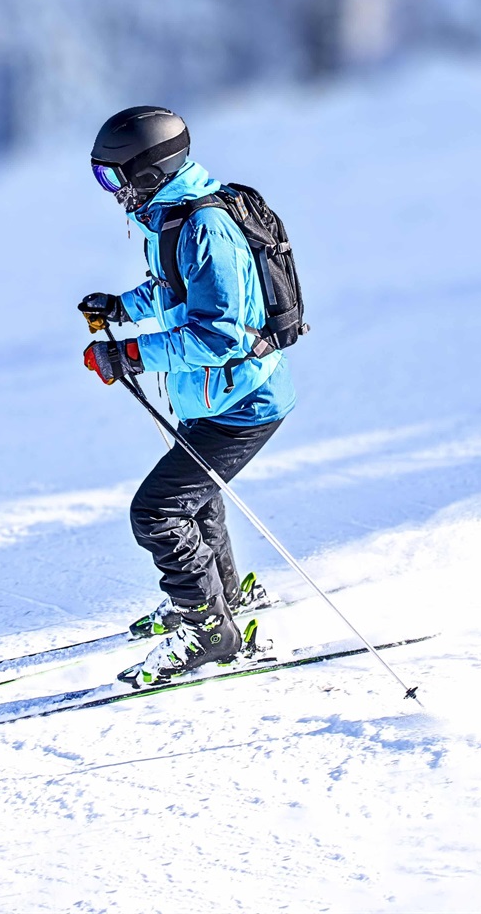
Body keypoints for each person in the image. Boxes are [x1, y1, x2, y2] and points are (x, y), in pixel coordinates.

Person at [80, 105, 296, 687]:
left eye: (113, 176)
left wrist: (131, 355)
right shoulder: (170, 217)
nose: (111, 190)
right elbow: (174, 292)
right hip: (214, 399)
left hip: (242, 404)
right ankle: (219, 598)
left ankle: (209, 633)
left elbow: (221, 333)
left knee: (157, 512)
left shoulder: (206, 229)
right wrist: (122, 309)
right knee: (194, 500)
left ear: (148, 171)